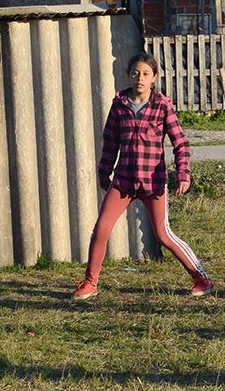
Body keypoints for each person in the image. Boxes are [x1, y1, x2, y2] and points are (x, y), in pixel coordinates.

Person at [72, 52, 212, 300]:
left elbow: (180, 142)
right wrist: (104, 174)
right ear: (128, 75)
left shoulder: (161, 106)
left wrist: (183, 173)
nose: (140, 78)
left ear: (154, 78)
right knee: (101, 228)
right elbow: (110, 143)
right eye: (135, 73)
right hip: (123, 180)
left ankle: (201, 278)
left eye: (146, 74)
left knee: (163, 234)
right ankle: (90, 282)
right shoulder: (119, 106)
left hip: (153, 182)